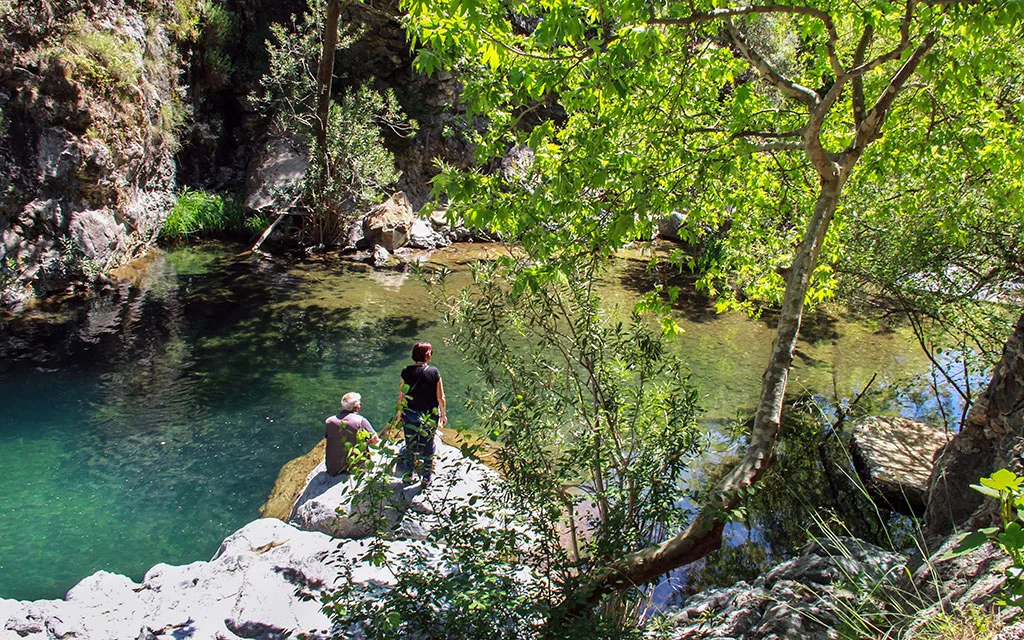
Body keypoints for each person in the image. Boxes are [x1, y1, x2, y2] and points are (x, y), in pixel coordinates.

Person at [396, 341, 447, 486]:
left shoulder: (405, 371)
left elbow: (402, 395)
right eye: (430, 352)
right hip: (429, 415)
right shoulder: (434, 372)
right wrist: (443, 415)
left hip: (410, 413)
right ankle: (426, 477)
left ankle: (407, 476)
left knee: (410, 444)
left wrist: (399, 413)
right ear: (427, 355)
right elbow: (440, 397)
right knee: (429, 444)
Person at [324, 392, 380, 476]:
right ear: (356, 407)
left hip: (334, 467)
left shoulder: (329, 421)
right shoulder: (360, 421)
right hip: (357, 466)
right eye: (360, 404)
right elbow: (375, 440)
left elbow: (328, 438)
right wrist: (365, 443)